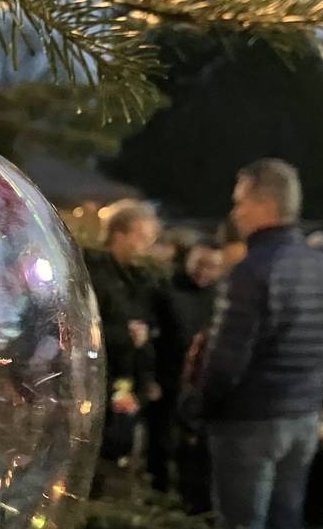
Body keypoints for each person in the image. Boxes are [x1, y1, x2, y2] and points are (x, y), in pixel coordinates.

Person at [202, 159, 323, 529]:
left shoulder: (251, 272)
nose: (235, 212)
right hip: (303, 417)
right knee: (284, 526)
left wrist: (200, 407)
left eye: (241, 202)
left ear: (265, 204)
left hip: (250, 420)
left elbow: (226, 361)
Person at [85, 200, 161, 462]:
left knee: (117, 442)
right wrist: (125, 335)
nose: (146, 246)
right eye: (141, 237)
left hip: (124, 378)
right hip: (96, 377)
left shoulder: (139, 279)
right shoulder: (94, 273)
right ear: (119, 234)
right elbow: (85, 326)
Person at [151, 241, 224, 505]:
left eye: (212, 266)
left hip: (200, 385)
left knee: (193, 450)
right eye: (199, 264)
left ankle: (188, 502)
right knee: (161, 444)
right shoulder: (166, 289)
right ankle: (157, 497)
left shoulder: (220, 296)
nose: (204, 272)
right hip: (167, 379)